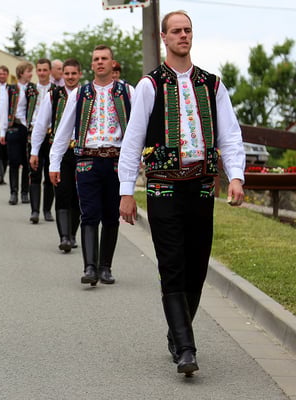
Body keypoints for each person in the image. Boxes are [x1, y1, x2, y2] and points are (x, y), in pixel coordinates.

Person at [118, 10, 245, 376]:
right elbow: (133, 140)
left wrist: (235, 176)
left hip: (201, 186)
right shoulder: (150, 85)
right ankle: (186, 348)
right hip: (163, 186)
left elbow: (230, 135)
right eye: (176, 31)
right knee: (172, 264)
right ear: (164, 37)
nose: (183, 35)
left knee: (197, 265)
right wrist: (126, 191)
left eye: (187, 30)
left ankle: (177, 332)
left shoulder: (212, 84)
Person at [50, 45, 132, 286]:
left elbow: (138, 126)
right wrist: (54, 162)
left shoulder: (127, 91)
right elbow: (64, 129)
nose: (100, 62)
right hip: (87, 159)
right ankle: (89, 267)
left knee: (111, 215)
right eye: (96, 59)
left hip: (116, 160)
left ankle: (105, 267)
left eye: (104, 58)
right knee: (89, 213)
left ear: (112, 63)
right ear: (92, 64)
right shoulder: (81, 93)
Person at [38, 58, 82, 252]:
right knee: (62, 192)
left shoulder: (86, 94)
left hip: (82, 152)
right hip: (60, 151)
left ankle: (72, 234)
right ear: (62, 75)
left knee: (77, 196)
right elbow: (41, 124)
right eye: (67, 73)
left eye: (74, 73)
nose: (70, 77)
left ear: (80, 74)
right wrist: (34, 151)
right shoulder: (54, 95)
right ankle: (64, 236)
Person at [0, 61, 37, 205]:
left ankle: (24, 192)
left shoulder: (33, 88)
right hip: (14, 126)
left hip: (28, 128)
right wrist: (2, 131)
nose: (31, 74)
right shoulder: (10, 89)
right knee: (14, 161)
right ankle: (13, 192)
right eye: (28, 71)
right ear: (21, 73)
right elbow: (3, 109)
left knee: (26, 161)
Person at [27, 58, 55, 224]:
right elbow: (21, 108)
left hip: (51, 135)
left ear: (50, 71)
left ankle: (47, 210)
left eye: (45, 70)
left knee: (50, 173)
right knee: (35, 173)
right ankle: (35, 211)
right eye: (40, 70)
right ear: (36, 71)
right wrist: (27, 124)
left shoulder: (56, 90)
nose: (42, 73)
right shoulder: (30, 90)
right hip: (34, 134)